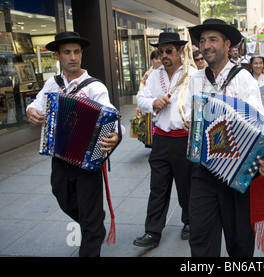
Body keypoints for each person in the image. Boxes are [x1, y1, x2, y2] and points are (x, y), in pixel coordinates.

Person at [186, 18, 264, 257]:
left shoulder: (244, 78)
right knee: (200, 237)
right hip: (203, 169)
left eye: (212, 40)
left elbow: (260, 125)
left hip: (236, 171)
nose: (206, 45)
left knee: (239, 242)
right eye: (203, 40)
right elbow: (187, 113)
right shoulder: (196, 79)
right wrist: (189, 120)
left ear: (227, 45)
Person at [26, 31, 122, 257]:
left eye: (76, 52)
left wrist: (115, 134)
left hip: (87, 160)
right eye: (67, 52)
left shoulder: (94, 87)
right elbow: (37, 102)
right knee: (62, 197)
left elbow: (112, 118)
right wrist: (31, 110)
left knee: (89, 212)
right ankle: (94, 225)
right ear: (58, 55)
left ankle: (91, 237)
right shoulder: (53, 83)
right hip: (60, 156)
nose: (73, 57)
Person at [134, 32, 196, 250]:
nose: (164, 55)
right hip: (161, 139)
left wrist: (193, 119)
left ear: (180, 51)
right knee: (157, 187)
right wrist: (153, 102)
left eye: (169, 50)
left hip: (184, 140)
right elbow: (141, 99)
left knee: (186, 185)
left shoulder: (193, 75)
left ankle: (189, 222)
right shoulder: (153, 76)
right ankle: (152, 232)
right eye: (160, 51)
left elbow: (201, 102)